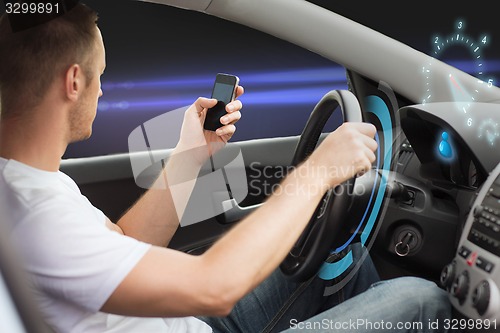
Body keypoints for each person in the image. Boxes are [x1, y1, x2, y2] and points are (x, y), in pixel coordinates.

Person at [0, 1, 451, 332]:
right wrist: (317, 174)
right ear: (73, 81)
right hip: (199, 309)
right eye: (100, 75)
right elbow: (213, 287)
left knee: (336, 258)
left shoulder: (30, 184)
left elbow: (124, 244)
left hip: (185, 322)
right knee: (423, 300)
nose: (102, 91)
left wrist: (190, 153)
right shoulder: (34, 219)